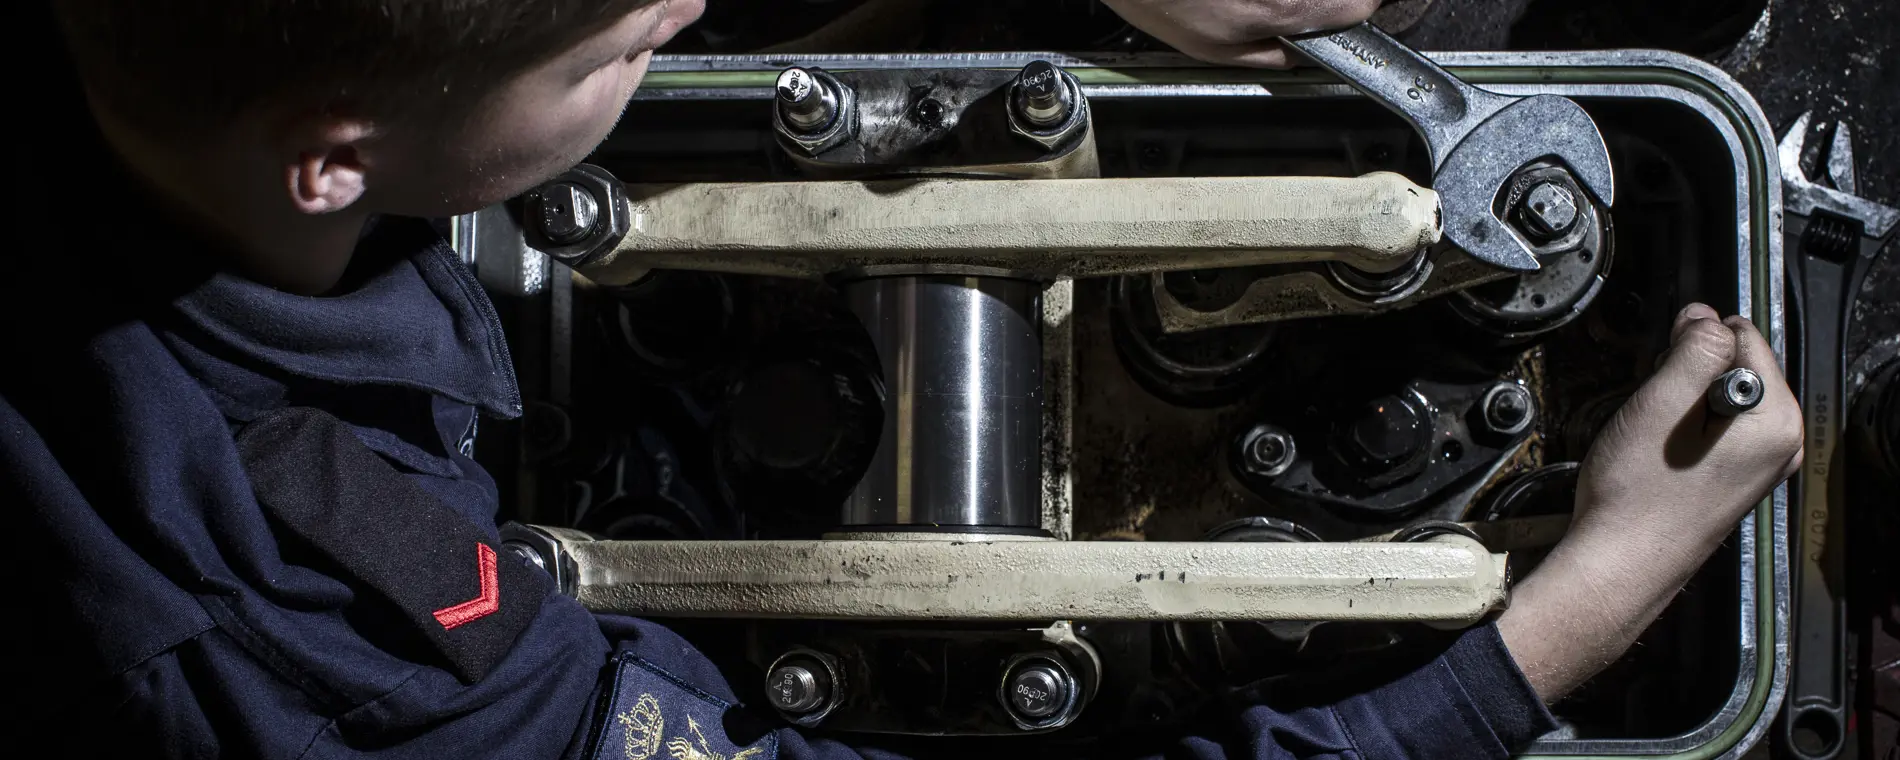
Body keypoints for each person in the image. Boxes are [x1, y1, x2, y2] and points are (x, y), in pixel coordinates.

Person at [4, 0, 1803, 757]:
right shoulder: (320, 634)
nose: (689, 17)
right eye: (625, 46)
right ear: (335, 160)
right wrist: (1552, 636)